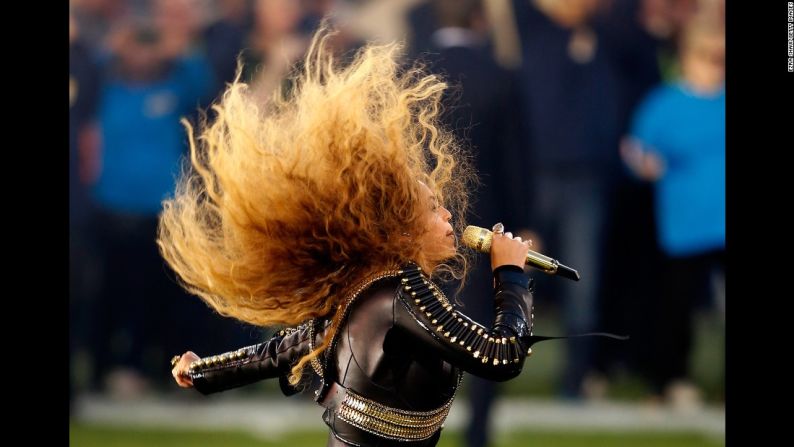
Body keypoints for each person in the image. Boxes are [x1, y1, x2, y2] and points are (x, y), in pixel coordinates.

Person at [164, 28, 538, 446]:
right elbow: (500, 355)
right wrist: (511, 275)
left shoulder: (366, 286)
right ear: (400, 228)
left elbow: (282, 351)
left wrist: (201, 372)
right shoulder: (403, 292)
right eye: (432, 208)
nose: (448, 214)